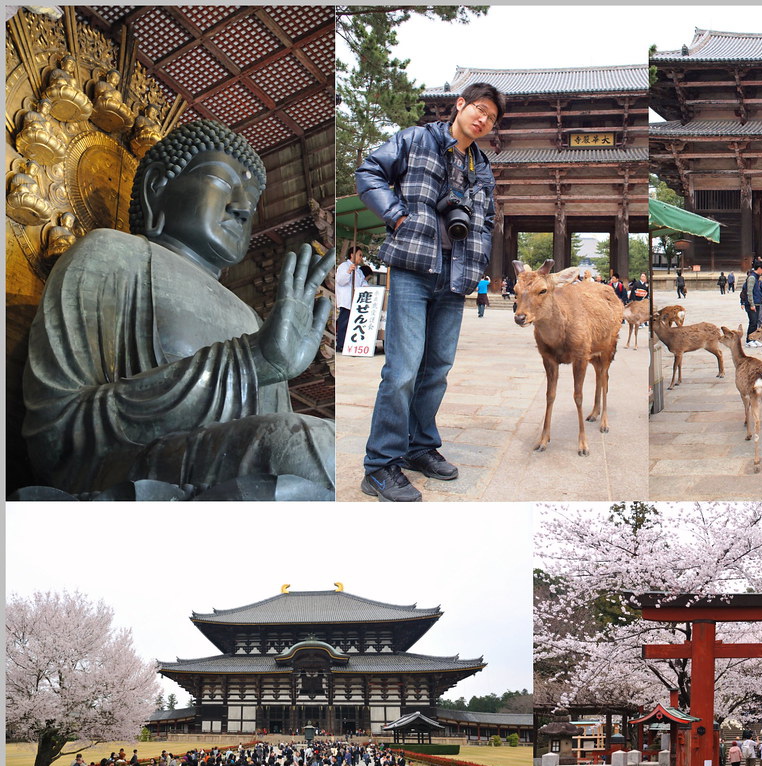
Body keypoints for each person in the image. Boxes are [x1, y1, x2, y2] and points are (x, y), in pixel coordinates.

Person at [22, 119, 336, 499]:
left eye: (251, 202)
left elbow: (270, 427)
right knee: (308, 445)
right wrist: (250, 360)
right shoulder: (111, 254)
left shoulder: (249, 318)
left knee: (328, 441)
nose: (241, 208)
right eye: (223, 183)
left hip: (232, 466)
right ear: (158, 186)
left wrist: (267, 363)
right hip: (122, 469)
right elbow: (55, 434)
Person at [355, 83, 503, 502]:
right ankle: (380, 464)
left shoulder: (482, 167)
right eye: (479, 109)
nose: (483, 120)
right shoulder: (416, 138)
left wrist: (479, 255)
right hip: (414, 268)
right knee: (402, 369)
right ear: (461, 105)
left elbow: (487, 218)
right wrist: (397, 215)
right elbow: (369, 171)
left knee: (436, 368)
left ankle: (419, 447)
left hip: (454, 275)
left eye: (491, 117)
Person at [337, 245, 368, 340]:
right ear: (352, 255)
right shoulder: (344, 266)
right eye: (360, 255)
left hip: (357, 301)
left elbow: (364, 283)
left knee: (353, 325)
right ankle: (341, 344)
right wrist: (349, 271)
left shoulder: (359, 271)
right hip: (347, 301)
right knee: (344, 324)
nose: (361, 258)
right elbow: (340, 281)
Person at [740, 260, 762, 347]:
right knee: (752, 322)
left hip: (757, 303)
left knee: (755, 323)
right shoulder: (752, 278)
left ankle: (754, 339)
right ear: (759, 268)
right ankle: (749, 340)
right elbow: (749, 292)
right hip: (752, 304)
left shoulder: (756, 277)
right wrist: (751, 304)